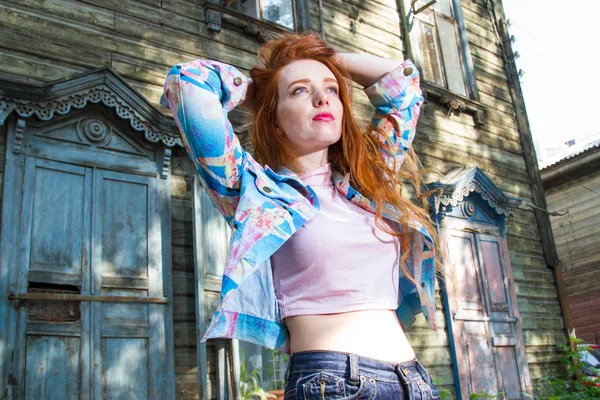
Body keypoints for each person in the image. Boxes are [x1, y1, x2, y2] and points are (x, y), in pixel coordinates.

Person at [161, 32, 440, 399]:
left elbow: (402, 83)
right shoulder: (254, 190)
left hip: (413, 382)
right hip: (334, 383)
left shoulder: (368, 179)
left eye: (331, 90)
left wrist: (326, 62)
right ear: (273, 118)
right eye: (299, 92)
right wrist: (261, 91)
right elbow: (187, 82)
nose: (322, 97)